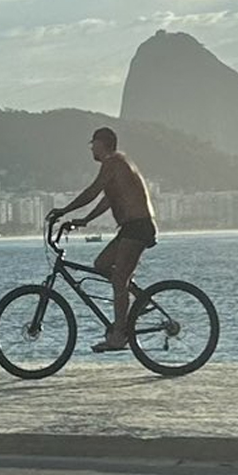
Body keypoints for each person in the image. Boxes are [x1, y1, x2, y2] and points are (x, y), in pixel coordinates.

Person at [47, 126, 157, 352]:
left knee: (118, 280)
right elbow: (107, 200)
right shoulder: (117, 165)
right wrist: (84, 220)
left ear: (103, 143)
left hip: (137, 227)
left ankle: (119, 336)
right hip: (131, 227)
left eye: (93, 144)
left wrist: (64, 210)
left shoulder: (113, 162)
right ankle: (139, 298)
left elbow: (92, 191)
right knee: (101, 265)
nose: (91, 149)